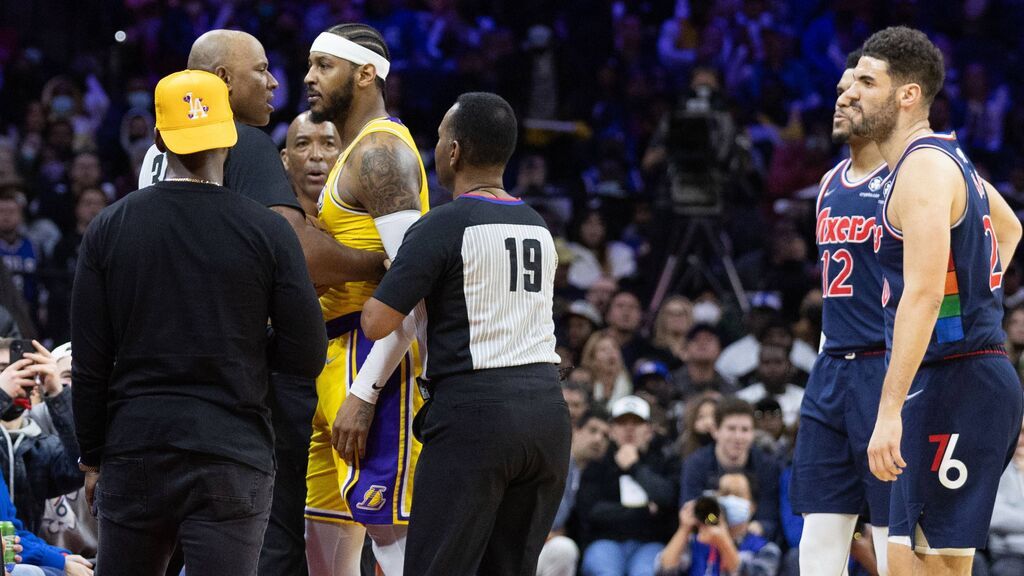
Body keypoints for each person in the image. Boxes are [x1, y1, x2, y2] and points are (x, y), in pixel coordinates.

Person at [138, 30, 385, 576]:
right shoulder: (241, 142)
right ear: (222, 83)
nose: (276, 82)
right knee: (268, 535)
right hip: (238, 380)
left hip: (154, 388)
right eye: (261, 70)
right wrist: (379, 263)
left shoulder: (154, 160)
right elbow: (297, 253)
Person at [71, 69, 326, 576]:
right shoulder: (270, 232)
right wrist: (250, 353)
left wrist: (93, 457)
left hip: (136, 446)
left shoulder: (109, 226)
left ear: (160, 138)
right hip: (232, 454)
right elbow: (307, 352)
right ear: (230, 136)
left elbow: (90, 363)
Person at [361, 91, 571, 575]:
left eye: (437, 138)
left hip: (477, 416)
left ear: (453, 152)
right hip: (547, 416)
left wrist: (394, 269)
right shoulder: (538, 224)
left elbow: (377, 322)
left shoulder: (443, 224)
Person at [847, 26, 1023, 575]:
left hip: (960, 382)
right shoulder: (944, 159)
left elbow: (921, 296)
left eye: (867, 82)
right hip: (957, 376)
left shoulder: (923, 169)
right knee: (911, 563)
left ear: (908, 94)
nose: (851, 92)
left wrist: (889, 409)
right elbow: (1008, 227)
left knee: (928, 568)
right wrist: (971, 299)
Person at [301, 23, 430, 576]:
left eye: (323, 65)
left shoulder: (379, 152)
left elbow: (414, 287)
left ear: (365, 73)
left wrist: (365, 390)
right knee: (326, 542)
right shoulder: (355, 151)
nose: (308, 77)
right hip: (333, 356)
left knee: (390, 534)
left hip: (373, 360)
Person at [789, 49, 893, 576]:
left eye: (856, 91)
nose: (843, 100)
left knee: (892, 536)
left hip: (889, 367)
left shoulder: (915, 174)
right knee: (819, 535)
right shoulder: (828, 184)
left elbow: (995, 235)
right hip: (832, 366)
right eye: (839, 92)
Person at [575, 396, 679, 576]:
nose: (629, 428)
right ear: (612, 430)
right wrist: (645, 511)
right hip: (605, 542)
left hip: (650, 543)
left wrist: (634, 467)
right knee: (605, 571)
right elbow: (590, 511)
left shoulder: (664, 461)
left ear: (648, 430)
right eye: (622, 422)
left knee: (644, 572)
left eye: (637, 422)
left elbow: (668, 498)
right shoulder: (598, 463)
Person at [681, 397, 779, 541]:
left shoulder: (767, 466)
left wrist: (748, 529)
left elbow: (768, 519)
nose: (738, 437)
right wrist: (718, 525)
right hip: (706, 537)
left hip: (751, 540)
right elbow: (690, 511)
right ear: (715, 430)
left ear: (753, 433)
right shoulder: (695, 464)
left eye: (745, 430)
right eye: (731, 428)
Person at [658, 473, 781, 576]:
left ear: (753, 506)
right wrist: (684, 529)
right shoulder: (697, 542)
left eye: (738, 495)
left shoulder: (766, 550)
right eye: (725, 494)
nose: (730, 500)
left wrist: (722, 541)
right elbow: (664, 571)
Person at [537, 410, 611, 576]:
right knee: (564, 550)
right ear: (575, 430)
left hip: (543, 549)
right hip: (517, 547)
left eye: (605, 436)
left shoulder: (587, 475)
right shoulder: (553, 459)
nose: (598, 439)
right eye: (593, 430)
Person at [281, 111, 341, 216]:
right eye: (303, 144)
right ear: (285, 159)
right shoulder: (271, 226)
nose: (316, 155)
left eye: (328, 144)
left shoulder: (365, 221)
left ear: (343, 155)